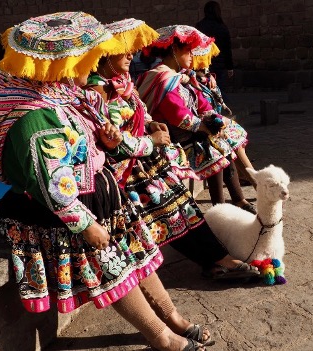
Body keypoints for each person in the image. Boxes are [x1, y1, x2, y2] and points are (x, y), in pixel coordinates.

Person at [0, 12, 213, 351]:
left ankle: (171, 318)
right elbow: (52, 182)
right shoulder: (36, 116)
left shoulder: (64, 95)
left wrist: (123, 142)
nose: (96, 62)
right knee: (115, 272)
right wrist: (85, 224)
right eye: (90, 56)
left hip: (100, 195)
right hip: (70, 210)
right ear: (68, 61)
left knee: (136, 257)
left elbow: (103, 138)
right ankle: (162, 338)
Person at [85, 18, 259, 281]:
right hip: (124, 170)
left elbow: (142, 112)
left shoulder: (124, 83)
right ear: (108, 53)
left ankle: (217, 256)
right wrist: (153, 140)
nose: (131, 54)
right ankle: (217, 255)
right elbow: (112, 140)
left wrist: (153, 124)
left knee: (181, 205)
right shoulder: (96, 89)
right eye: (125, 48)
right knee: (168, 206)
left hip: (146, 158)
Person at [136, 25, 256, 213]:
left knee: (224, 134)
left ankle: (239, 198)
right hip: (174, 137)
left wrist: (216, 120)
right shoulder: (163, 78)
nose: (192, 56)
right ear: (174, 50)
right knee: (212, 147)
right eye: (188, 51)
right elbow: (179, 116)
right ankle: (220, 206)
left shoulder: (182, 78)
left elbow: (203, 105)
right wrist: (206, 127)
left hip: (192, 132)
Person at [192, 42, 257, 188]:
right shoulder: (191, 82)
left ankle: (246, 176)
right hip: (200, 126)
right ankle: (255, 181)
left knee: (235, 134)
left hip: (211, 120)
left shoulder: (206, 79)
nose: (208, 61)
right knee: (231, 137)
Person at [195, 1, 234, 102]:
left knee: (205, 87)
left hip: (204, 62)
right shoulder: (222, 27)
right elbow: (227, 48)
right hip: (219, 63)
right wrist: (230, 67)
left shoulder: (199, 26)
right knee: (219, 87)